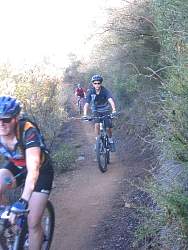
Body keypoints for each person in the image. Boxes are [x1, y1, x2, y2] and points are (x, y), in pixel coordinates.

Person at [0, 96, 54, 250]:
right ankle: (10, 224)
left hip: (40, 171)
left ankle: (33, 234)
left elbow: (34, 169)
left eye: (6, 119)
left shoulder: (27, 130)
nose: (1, 123)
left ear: (16, 118)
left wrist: (23, 201)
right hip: (16, 166)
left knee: (33, 221)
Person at [83, 74, 117, 152]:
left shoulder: (105, 90)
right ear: (93, 84)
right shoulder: (90, 92)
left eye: (98, 83)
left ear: (101, 83)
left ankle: (111, 141)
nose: (97, 85)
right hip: (96, 110)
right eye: (95, 83)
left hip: (105, 110)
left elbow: (110, 100)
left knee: (108, 127)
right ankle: (97, 142)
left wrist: (114, 110)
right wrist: (84, 114)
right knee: (97, 124)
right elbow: (86, 104)